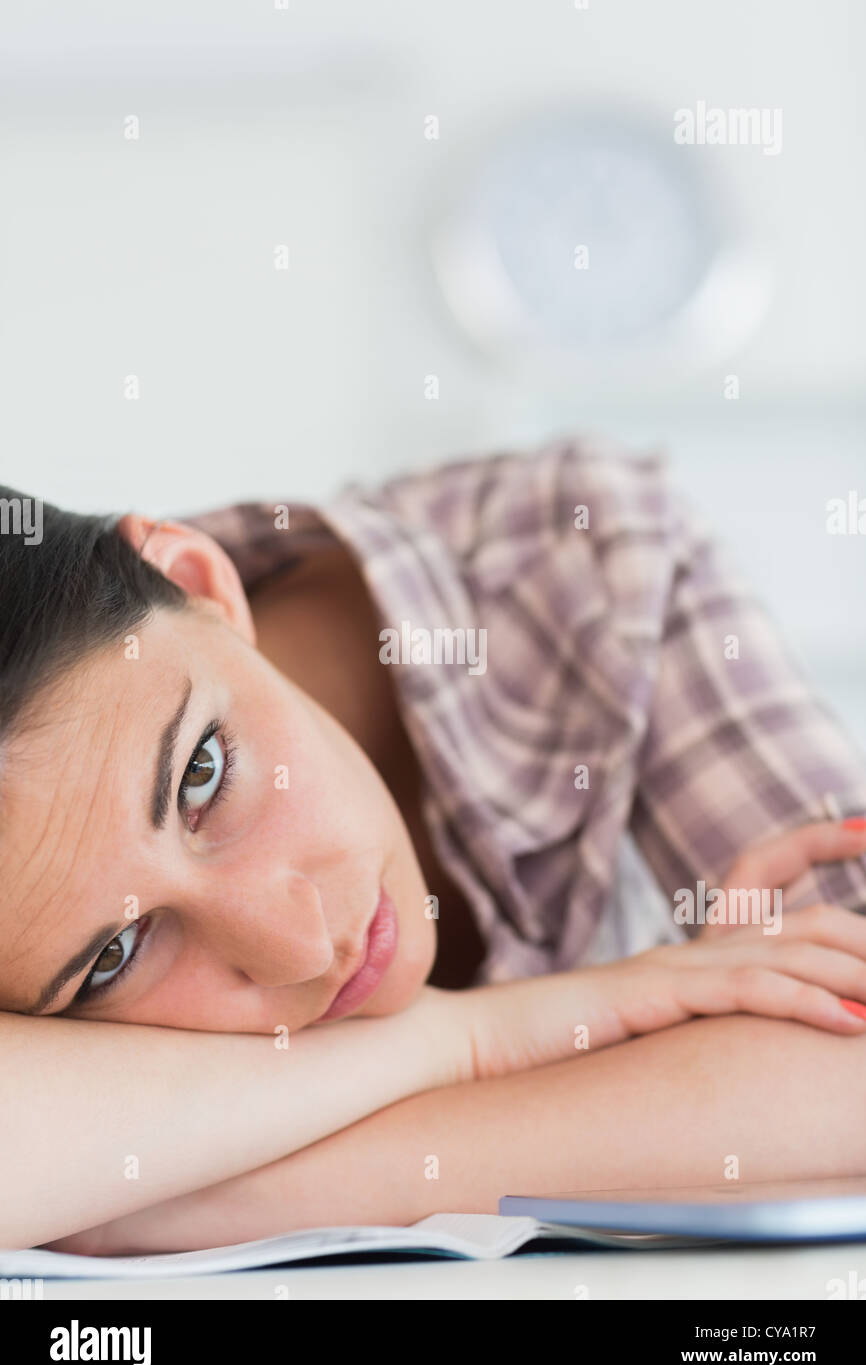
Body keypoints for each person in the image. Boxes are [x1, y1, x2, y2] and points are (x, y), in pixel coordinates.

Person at [2, 435, 866, 1256]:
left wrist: (194, 1195)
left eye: (202, 775)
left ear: (194, 580)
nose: (298, 949)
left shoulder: (589, 563)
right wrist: (464, 1039)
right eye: (113, 956)